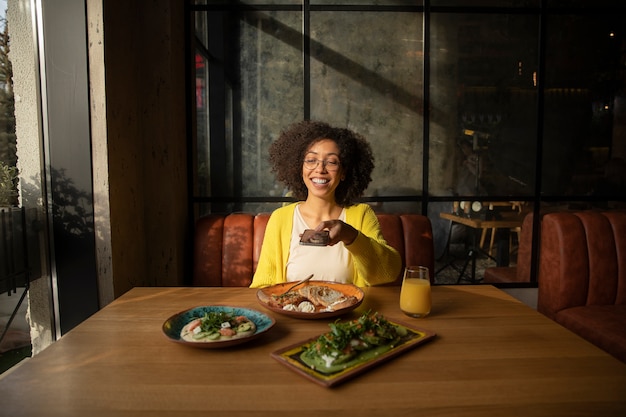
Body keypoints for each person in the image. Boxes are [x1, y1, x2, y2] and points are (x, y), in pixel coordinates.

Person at [250, 120, 402, 288]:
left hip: (349, 314)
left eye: (331, 162)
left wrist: (351, 236)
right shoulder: (281, 219)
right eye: (311, 160)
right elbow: (262, 287)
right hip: (294, 313)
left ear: (343, 172)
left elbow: (388, 273)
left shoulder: (361, 214)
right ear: (299, 168)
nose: (320, 169)